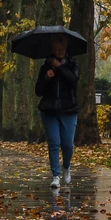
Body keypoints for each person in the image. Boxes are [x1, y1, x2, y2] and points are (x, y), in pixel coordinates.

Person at [34, 35, 78, 189]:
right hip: (49, 110)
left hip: (69, 109)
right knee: (54, 143)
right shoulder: (45, 67)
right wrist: (46, 77)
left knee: (67, 144)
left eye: (62, 49)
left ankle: (66, 166)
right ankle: (55, 176)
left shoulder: (72, 64)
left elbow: (73, 81)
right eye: (56, 49)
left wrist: (60, 68)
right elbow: (38, 91)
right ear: (52, 51)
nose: (60, 51)